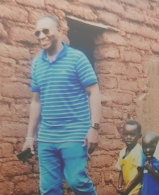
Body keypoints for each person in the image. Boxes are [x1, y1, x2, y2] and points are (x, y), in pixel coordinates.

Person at [20, 14, 102, 195]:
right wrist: (29, 138)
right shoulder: (37, 64)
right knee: (48, 189)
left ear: (59, 31)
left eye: (46, 31)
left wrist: (94, 128)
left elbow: (93, 92)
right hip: (47, 137)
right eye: (37, 33)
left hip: (74, 133)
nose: (41, 36)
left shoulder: (77, 58)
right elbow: (36, 101)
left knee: (76, 181)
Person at [116, 120, 145, 195]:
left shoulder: (138, 151)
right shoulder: (122, 152)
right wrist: (119, 185)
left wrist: (127, 191)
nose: (129, 137)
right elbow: (121, 170)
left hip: (136, 190)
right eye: (126, 134)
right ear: (122, 135)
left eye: (132, 135)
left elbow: (140, 175)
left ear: (139, 136)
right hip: (127, 190)